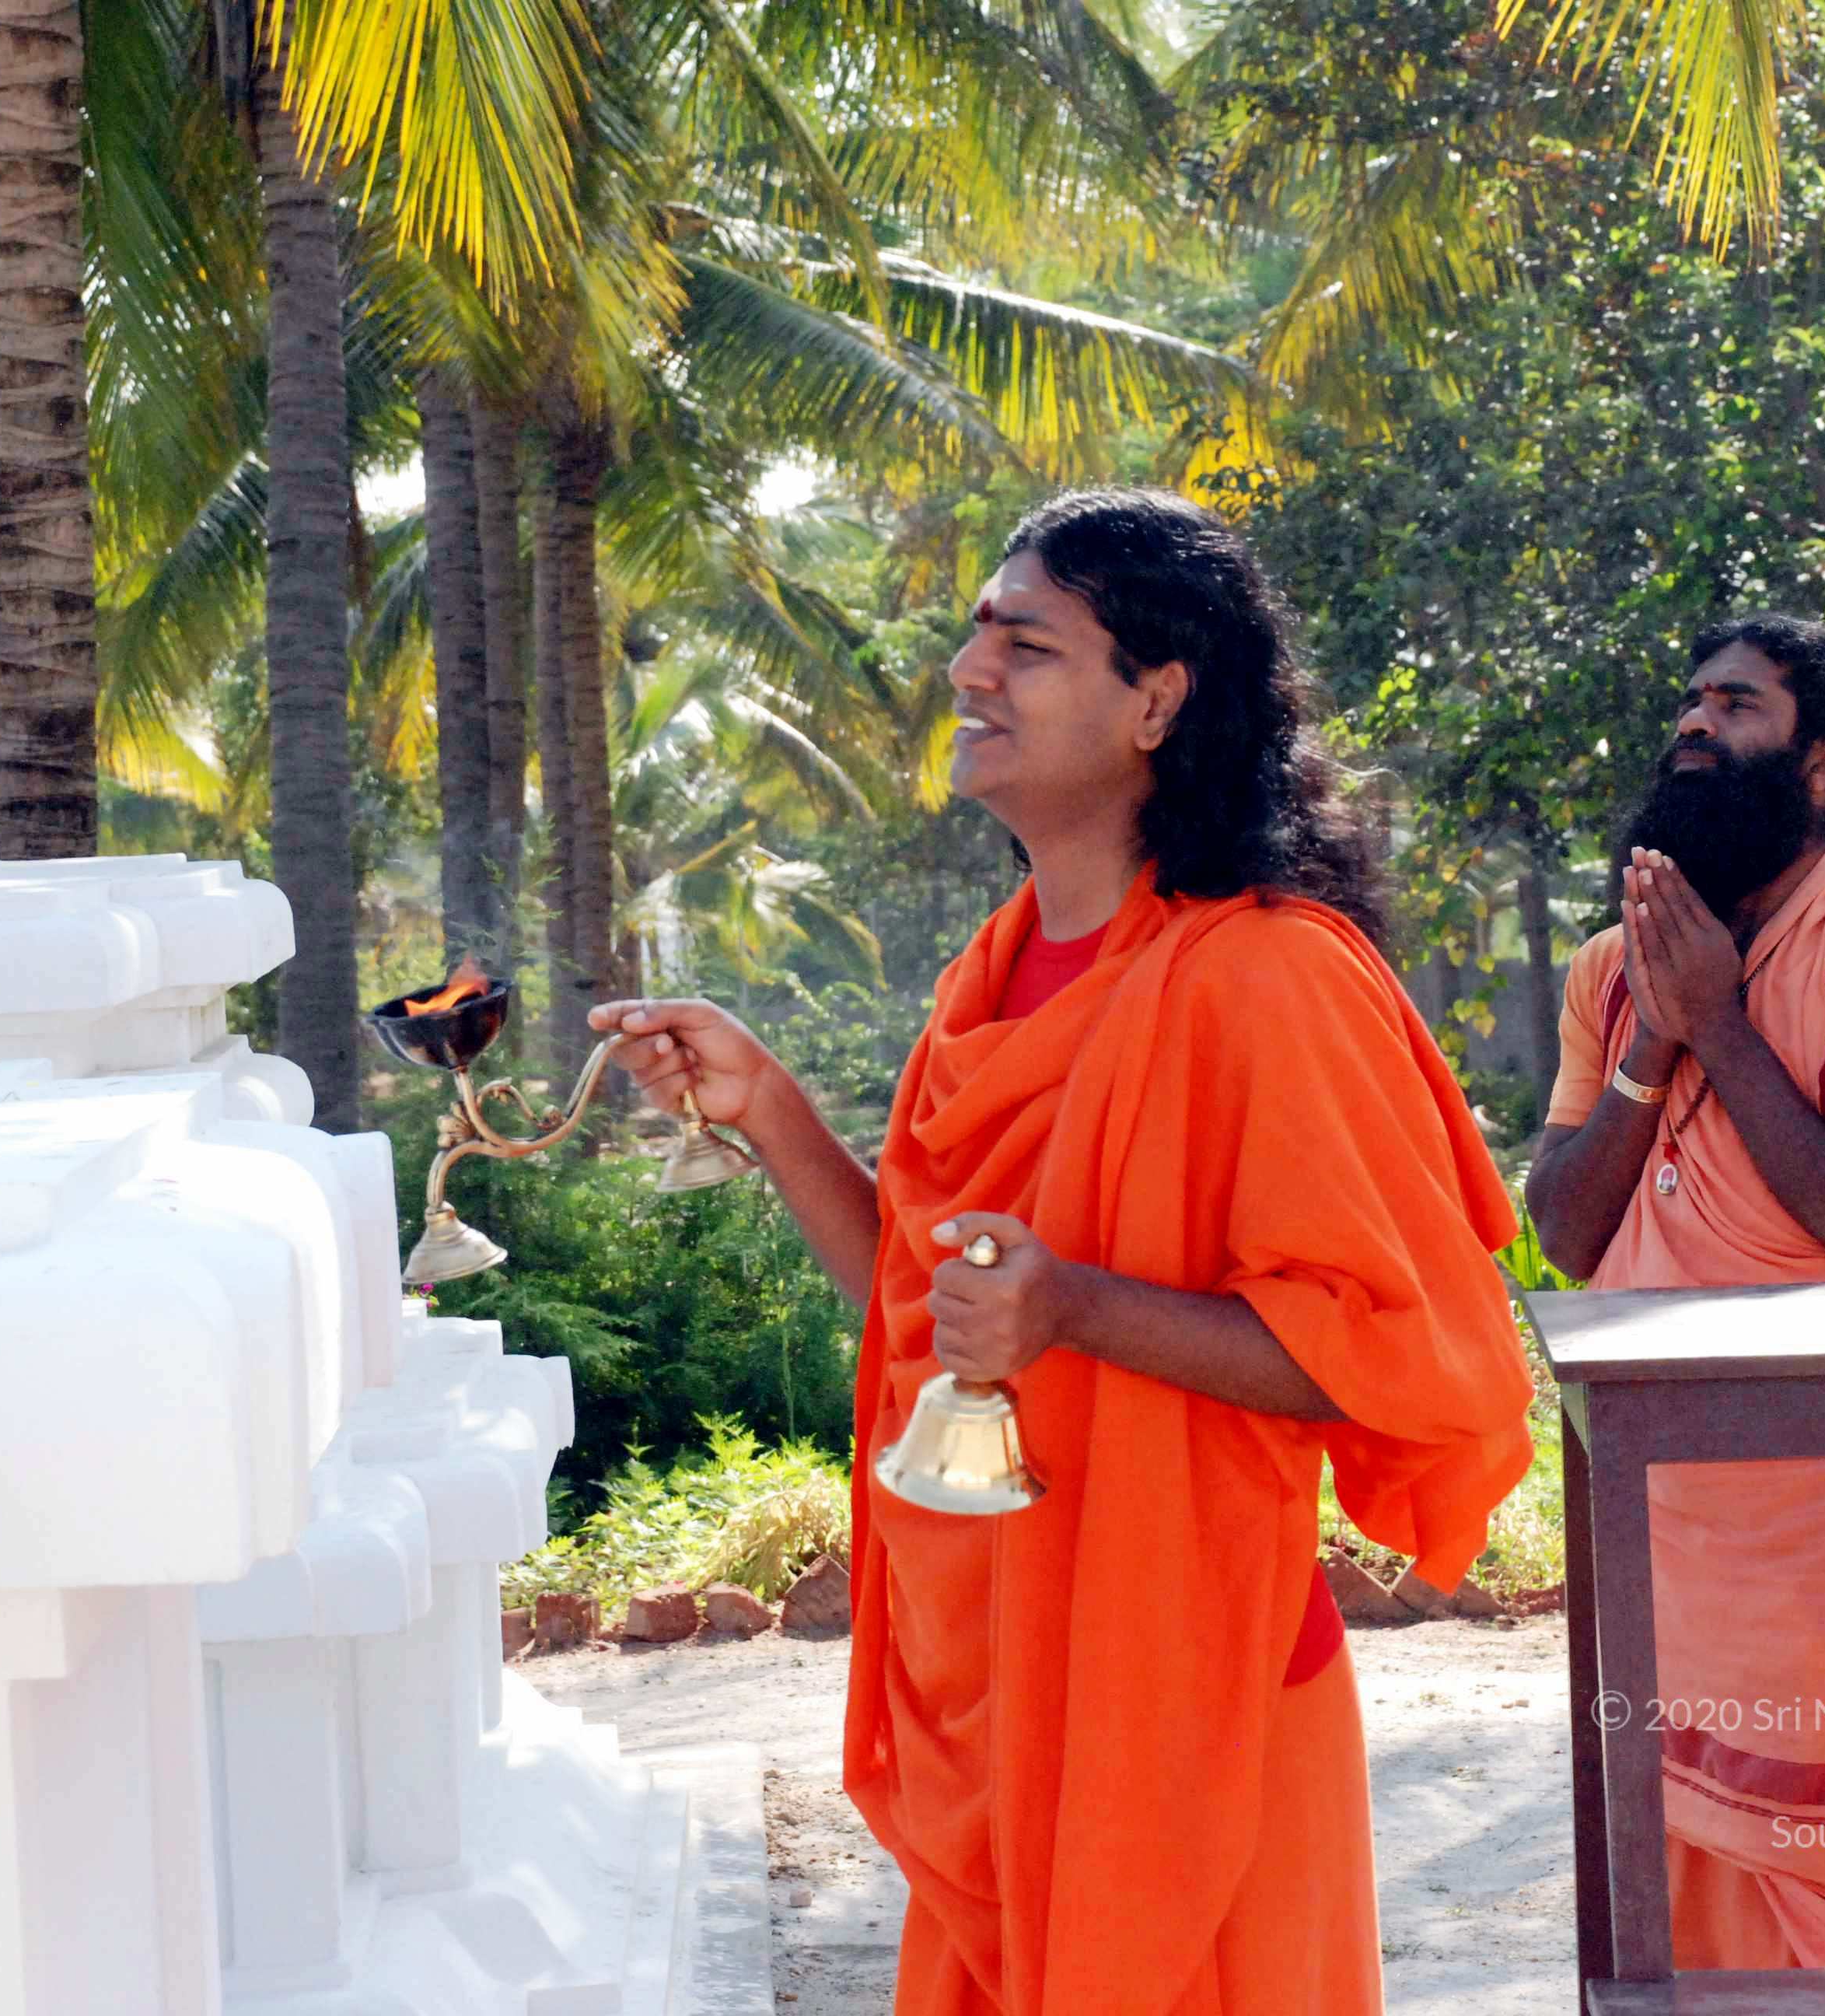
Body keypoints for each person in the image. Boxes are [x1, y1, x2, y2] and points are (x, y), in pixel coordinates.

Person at [589, 488, 1535, 2015]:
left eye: (1026, 646)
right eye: (977, 637)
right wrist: (766, 1108)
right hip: (1004, 1687)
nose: (970, 673)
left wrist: (1078, 1308)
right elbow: (935, 1313)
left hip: (1195, 1706)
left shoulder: (1270, 976)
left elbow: (1404, 1361)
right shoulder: (996, 971)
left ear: (1157, 701)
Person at [1523, 614, 1825, 1971]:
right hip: (1657, 1509)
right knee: (1669, 1909)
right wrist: (1656, 1039)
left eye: (1736, 705)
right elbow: (1566, 1232)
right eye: (1691, 701)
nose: (1694, 723)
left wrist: (1721, 1026)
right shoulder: (1614, 968)